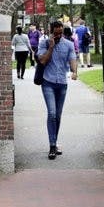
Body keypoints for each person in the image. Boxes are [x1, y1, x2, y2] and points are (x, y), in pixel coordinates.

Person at [36, 20, 78, 160]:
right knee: (52, 114)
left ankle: (54, 141)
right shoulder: (44, 43)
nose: (59, 35)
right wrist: (51, 47)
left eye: (60, 33)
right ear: (51, 31)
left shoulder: (69, 44)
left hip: (62, 84)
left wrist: (74, 71)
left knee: (58, 116)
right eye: (56, 33)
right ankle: (52, 146)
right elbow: (42, 61)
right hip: (48, 82)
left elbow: (72, 59)